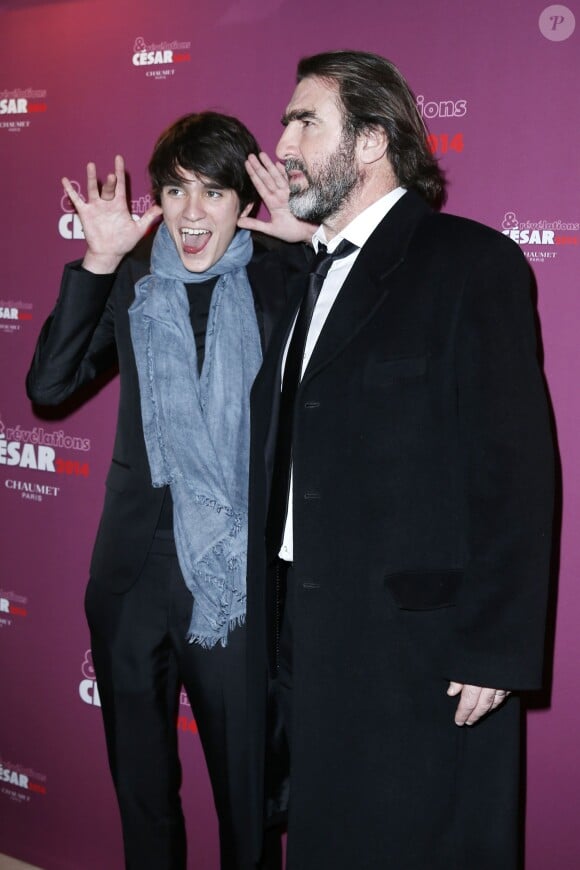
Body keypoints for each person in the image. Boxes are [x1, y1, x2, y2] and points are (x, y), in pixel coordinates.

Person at [239, 51, 555, 870]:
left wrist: (497, 649)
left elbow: (516, 471)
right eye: (286, 122)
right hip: (306, 634)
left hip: (420, 648)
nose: (283, 142)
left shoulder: (470, 264)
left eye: (305, 121)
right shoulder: (311, 275)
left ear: (373, 139)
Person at [26, 112, 303, 870]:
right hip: (130, 580)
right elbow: (49, 387)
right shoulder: (136, 280)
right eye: (176, 190)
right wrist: (97, 259)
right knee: (143, 796)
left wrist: (316, 248)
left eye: (213, 192)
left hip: (233, 582)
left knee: (247, 797)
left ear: (244, 200)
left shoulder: (286, 281)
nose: (189, 213)